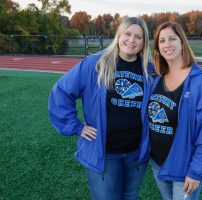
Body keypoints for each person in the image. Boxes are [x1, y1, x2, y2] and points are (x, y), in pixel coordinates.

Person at [48, 17, 153, 200]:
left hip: (136, 154)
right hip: (105, 153)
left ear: (144, 42)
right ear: (118, 35)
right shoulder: (95, 64)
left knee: (130, 196)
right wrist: (76, 127)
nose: (132, 40)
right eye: (127, 34)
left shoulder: (149, 70)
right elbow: (61, 91)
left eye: (138, 36)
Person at [148, 21, 202, 200]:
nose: (167, 45)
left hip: (184, 167)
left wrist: (197, 171)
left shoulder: (200, 81)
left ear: (182, 42)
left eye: (172, 39)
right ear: (157, 47)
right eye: (162, 41)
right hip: (158, 163)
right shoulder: (157, 78)